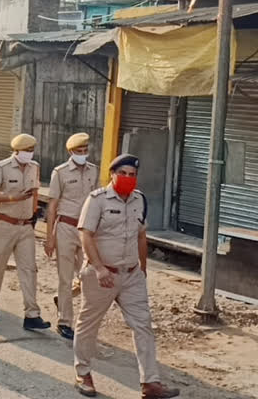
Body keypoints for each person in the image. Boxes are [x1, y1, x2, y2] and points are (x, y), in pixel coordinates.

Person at [73, 155, 180, 399]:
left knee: (143, 326)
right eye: (123, 173)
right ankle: (83, 373)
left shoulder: (139, 199)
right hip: (103, 275)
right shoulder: (97, 200)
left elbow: (141, 235)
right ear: (112, 174)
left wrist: (142, 269)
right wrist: (99, 268)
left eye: (132, 175)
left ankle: (150, 383)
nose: (128, 179)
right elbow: (86, 235)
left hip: (131, 275)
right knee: (89, 325)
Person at [0, 133, 51, 331]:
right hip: (4, 224)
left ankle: (32, 314)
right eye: (26, 151)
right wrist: (12, 198)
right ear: (16, 151)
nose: (29, 154)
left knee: (29, 269)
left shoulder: (34, 167)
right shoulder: (2, 167)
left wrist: (34, 213)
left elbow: (35, 192)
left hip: (25, 227)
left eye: (32, 150)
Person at [45, 132, 99, 340]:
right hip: (65, 227)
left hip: (85, 230)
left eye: (85, 151)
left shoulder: (93, 171)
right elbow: (52, 206)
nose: (83, 154)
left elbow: (96, 202)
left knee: (87, 275)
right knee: (65, 277)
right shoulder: (60, 173)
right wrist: (50, 237)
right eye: (79, 151)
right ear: (70, 152)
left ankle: (62, 299)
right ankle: (64, 321)